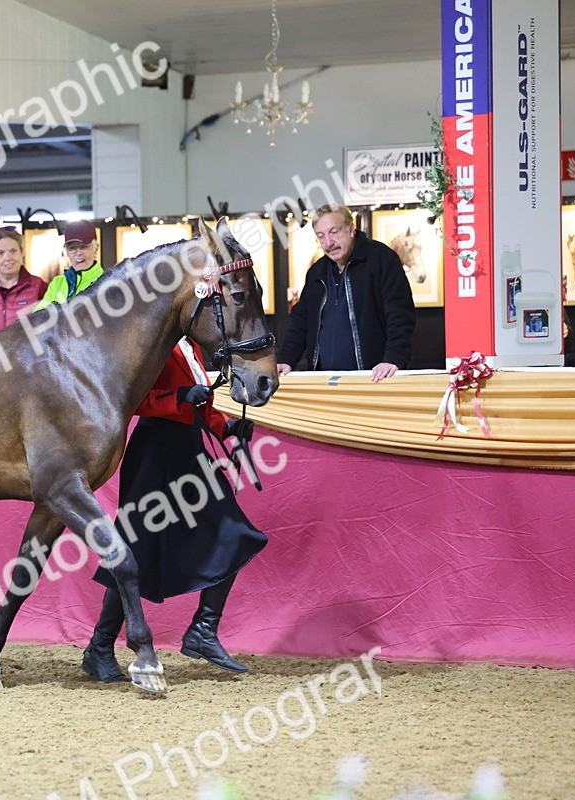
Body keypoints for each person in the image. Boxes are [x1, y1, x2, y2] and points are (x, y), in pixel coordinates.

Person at [81, 338, 267, 683]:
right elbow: (132, 398)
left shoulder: (191, 345)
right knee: (136, 551)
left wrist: (226, 426)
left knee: (233, 532)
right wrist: (179, 397)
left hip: (189, 449)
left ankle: (203, 630)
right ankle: (100, 648)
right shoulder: (152, 342)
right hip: (155, 452)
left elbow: (202, 401)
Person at [276, 204, 416, 382]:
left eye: (334, 232)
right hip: (325, 381)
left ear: (351, 229)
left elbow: (400, 315)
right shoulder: (316, 272)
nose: (328, 243)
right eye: (321, 236)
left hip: (374, 378)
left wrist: (393, 359)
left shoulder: (381, 259)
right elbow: (300, 323)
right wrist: (286, 359)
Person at [35, 220, 103, 310]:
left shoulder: (104, 282)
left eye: (83, 247)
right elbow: (38, 317)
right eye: (72, 248)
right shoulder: (57, 283)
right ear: (66, 251)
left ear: (96, 248)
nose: (78, 253)